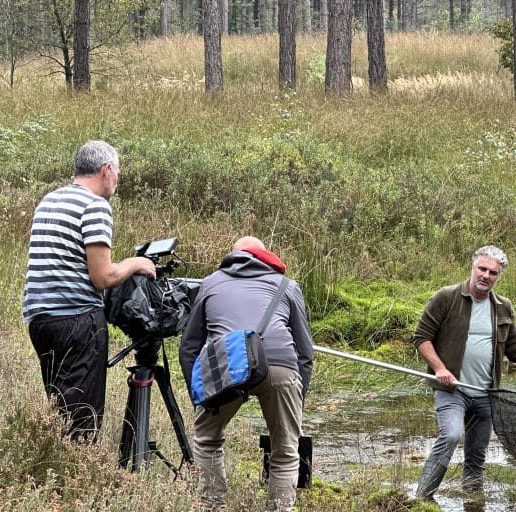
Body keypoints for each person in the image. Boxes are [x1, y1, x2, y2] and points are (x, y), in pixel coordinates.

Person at [412, 245, 516, 500]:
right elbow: (422, 337)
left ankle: (473, 500)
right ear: (472, 268)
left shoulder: (503, 307)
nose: (486, 275)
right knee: (451, 434)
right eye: (482, 269)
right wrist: (440, 369)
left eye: (493, 272)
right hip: (451, 389)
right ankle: (423, 497)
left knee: (477, 455)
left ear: (499, 276)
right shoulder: (447, 297)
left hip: (486, 394)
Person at [22, 140, 156, 441]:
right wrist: (136, 263)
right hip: (77, 320)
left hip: (41, 320)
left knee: (60, 408)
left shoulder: (50, 200)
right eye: (118, 172)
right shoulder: (95, 206)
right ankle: (77, 480)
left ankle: (57, 469)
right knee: (82, 418)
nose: (118, 180)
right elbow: (103, 277)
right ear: (106, 170)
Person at [179, 236, 315, 512]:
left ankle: (212, 506)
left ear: (233, 256)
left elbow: (189, 346)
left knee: (207, 439)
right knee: (286, 449)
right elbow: (305, 352)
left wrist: (200, 396)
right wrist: (297, 398)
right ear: (265, 256)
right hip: (280, 363)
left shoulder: (210, 283)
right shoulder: (288, 287)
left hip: (228, 365)